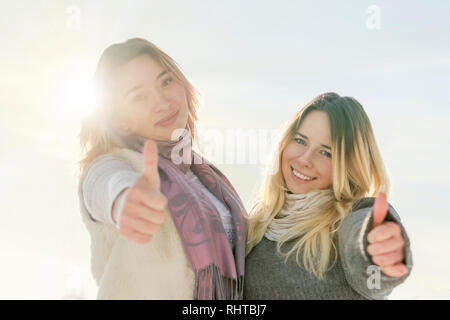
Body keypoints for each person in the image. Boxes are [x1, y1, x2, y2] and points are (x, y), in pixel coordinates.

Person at [77, 38, 247, 299]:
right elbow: (102, 184)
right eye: (139, 97)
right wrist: (125, 201)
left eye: (166, 81)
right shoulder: (115, 164)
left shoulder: (208, 176)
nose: (162, 102)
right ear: (119, 117)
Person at [244, 92, 413, 300]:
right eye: (300, 140)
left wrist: (380, 255)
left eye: (326, 153)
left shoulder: (347, 221)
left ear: (348, 165)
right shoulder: (254, 227)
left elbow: (371, 272)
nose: (305, 159)